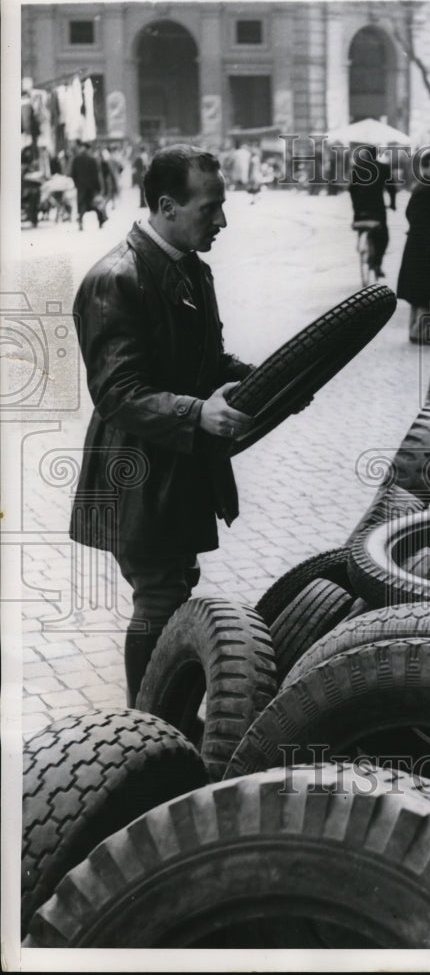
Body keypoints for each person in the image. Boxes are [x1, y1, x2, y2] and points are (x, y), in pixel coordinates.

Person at [68, 144, 255, 705]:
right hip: (138, 472)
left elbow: (206, 362)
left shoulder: (190, 270)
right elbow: (118, 393)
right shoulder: (115, 279)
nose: (221, 221)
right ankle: (148, 727)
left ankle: (164, 722)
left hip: (174, 465)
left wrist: (266, 380)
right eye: (210, 208)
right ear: (169, 206)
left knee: (175, 588)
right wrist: (199, 412)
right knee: (159, 597)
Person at [396, 151, 430, 344]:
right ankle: (421, 333)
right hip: (423, 246)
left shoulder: (425, 188)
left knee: (419, 292)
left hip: (418, 245)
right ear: (424, 168)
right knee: (427, 290)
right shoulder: (427, 190)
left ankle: (416, 331)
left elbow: (411, 214)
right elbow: (415, 218)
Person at [349, 144, 397, 278]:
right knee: (384, 237)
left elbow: (352, 189)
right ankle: (377, 264)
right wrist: (393, 204)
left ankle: (361, 240)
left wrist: (355, 206)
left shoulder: (357, 169)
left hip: (360, 211)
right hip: (377, 210)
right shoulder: (383, 168)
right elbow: (391, 188)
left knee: (362, 224)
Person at [70, 140, 107, 230]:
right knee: (94, 204)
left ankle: (80, 221)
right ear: (87, 149)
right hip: (91, 186)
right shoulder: (92, 160)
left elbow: (73, 174)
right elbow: (95, 174)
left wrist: (76, 184)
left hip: (81, 187)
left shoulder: (76, 159)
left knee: (82, 204)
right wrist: (98, 188)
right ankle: (101, 220)